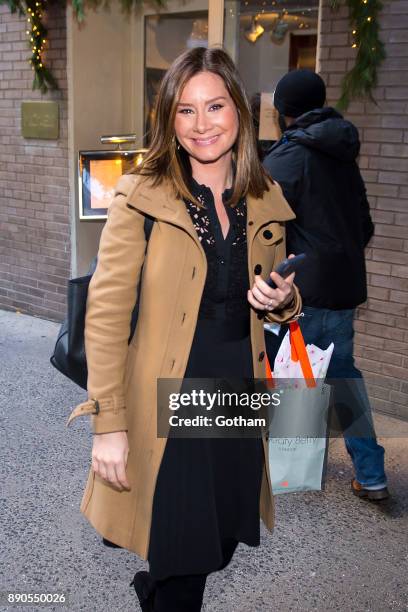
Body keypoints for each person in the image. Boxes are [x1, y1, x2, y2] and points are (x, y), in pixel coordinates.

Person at [67, 47, 302, 611]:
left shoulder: (264, 195)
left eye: (215, 106)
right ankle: (164, 590)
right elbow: (104, 314)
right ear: (168, 119)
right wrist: (109, 424)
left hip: (238, 394)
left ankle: (158, 586)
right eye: (186, 110)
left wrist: (285, 301)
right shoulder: (142, 197)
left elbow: (274, 297)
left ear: (240, 114)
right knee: (184, 555)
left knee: (219, 545)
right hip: (172, 394)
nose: (202, 125)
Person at [263, 69, 389, 502]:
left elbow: (256, 222)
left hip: (302, 291)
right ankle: (371, 472)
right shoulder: (341, 151)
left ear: (283, 110)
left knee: (293, 375)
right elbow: (365, 224)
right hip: (343, 287)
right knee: (341, 376)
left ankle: (285, 470)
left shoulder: (289, 156)